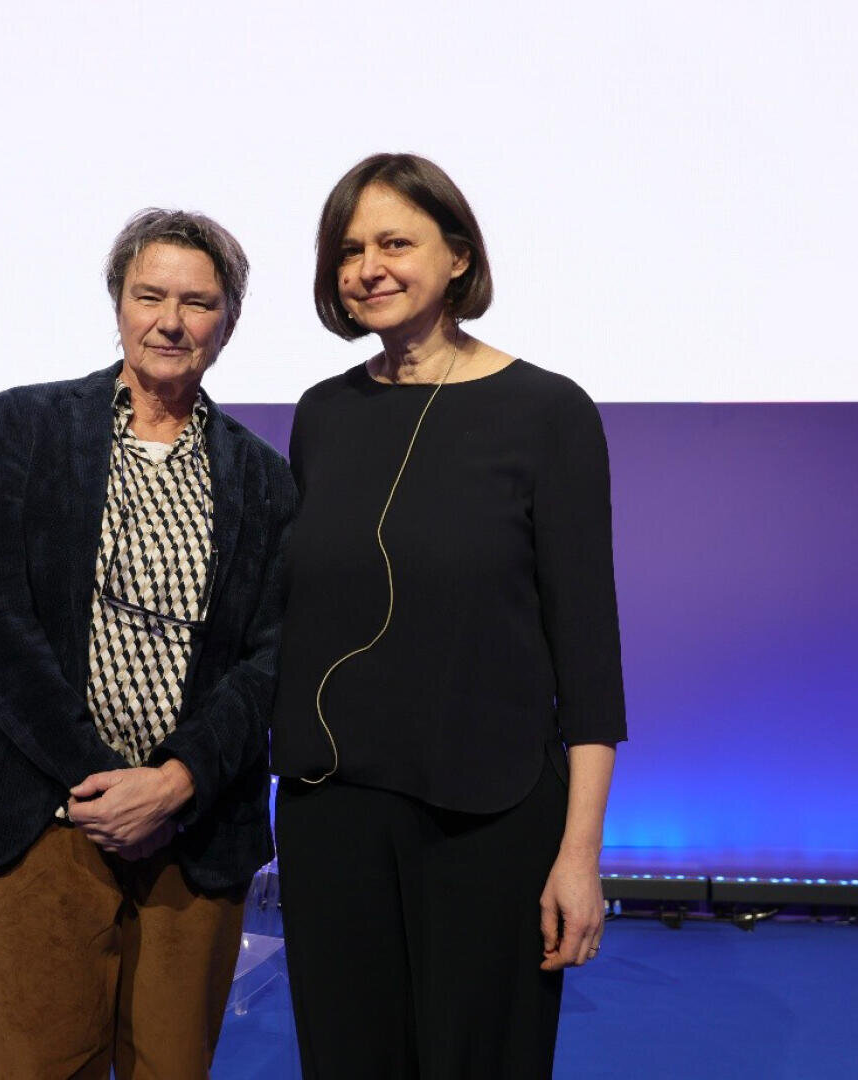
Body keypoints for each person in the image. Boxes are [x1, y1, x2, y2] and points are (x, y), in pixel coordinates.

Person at [270, 153, 627, 1078]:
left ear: (458, 257)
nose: (368, 268)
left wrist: (579, 857)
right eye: (349, 249)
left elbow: (589, 660)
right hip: (332, 817)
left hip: (492, 818)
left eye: (396, 242)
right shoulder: (323, 413)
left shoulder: (548, 412)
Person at [0, 208, 296, 1080]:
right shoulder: (31, 426)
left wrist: (170, 784)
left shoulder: (264, 479)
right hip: (41, 815)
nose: (170, 320)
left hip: (191, 827)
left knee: (172, 1066)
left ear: (227, 321)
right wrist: (102, 783)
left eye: (197, 302)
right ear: (118, 304)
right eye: (149, 294)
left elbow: (273, 659)